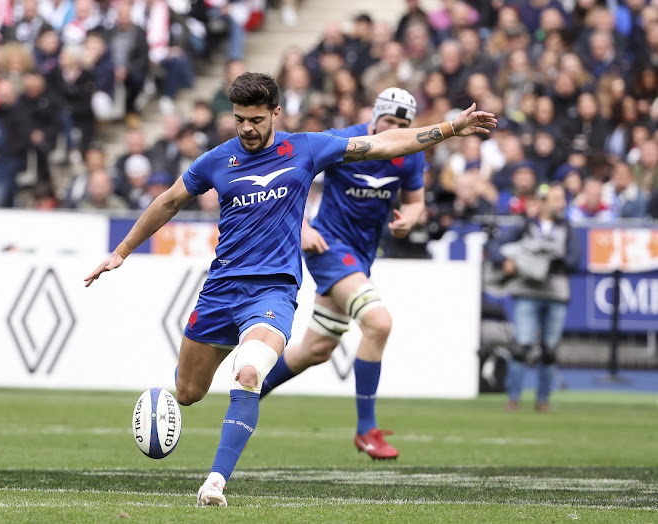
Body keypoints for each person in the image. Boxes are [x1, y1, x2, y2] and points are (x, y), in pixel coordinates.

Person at [84, 72, 496, 507]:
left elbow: (385, 144)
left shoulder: (306, 148)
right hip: (220, 292)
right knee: (187, 393)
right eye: (240, 119)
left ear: (275, 114)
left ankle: (215, 483)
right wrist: (122, 252)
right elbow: (169, 200)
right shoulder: (217, 160)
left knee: (248, 373)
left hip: (273, 293)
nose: (247, 128)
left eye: (256, 119)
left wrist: (450, 128)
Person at [258, 88, 425, 460]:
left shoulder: (409, 153)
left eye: (402, 125)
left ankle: (250, 392)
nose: (393, 130)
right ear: (373, 117)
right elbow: (287, 181)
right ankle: (366, 430)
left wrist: (409, 219)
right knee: (378, 323)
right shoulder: (343, 142)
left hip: (362, 256)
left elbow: (416, 202)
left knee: (316, 350)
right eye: (388, 122)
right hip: (329, 247)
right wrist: (301, 226)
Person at [486, 183, 580, 413]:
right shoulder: (526, 226)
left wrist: (553, 262)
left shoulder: (567, 228)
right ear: (543, 202)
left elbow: (575, 260)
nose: (561, 204)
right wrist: (504, 261)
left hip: (556, 292)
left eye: (562, 199)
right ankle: (514, 397)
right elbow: (495, 246)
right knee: (522, 345)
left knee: (549, 349)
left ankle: (543, 400)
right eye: (556, 199)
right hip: (527, 291)